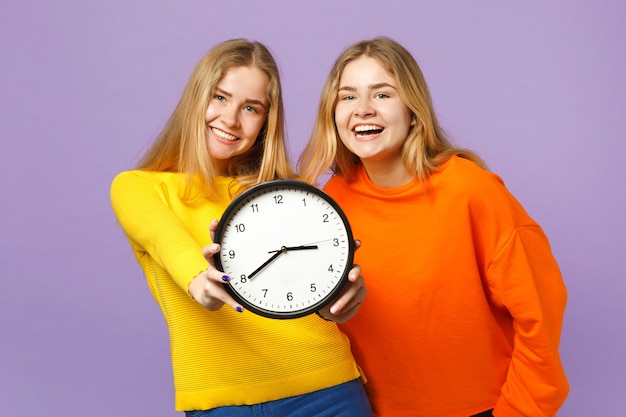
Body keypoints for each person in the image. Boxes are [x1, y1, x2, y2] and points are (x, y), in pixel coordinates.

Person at [298, 37, 569, 417]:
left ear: (413, 111)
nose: (362, 110)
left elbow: (541, 312)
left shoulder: (469, 190)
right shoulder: (332, 203)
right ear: (333, 113)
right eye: (347, 97)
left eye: (382, 95)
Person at [110, 39, 372, 417]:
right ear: (196, 99)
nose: (231, 119)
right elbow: (164, 239)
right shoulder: (140, 187)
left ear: (266, 121)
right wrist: (200, 279)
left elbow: (309, 288)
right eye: (220, 98)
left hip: (326, 390)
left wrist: (338, 302)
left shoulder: (287, 192)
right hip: (220, 403)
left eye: (251, 108)